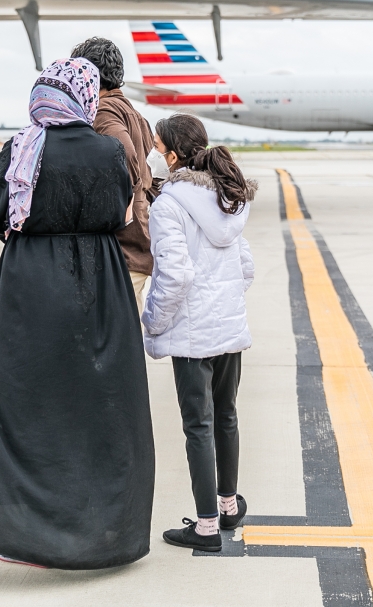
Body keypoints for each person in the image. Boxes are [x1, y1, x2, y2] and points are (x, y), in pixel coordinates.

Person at [0, 58, 155, 570]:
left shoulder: (18, 150)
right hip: (98, 284)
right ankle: (100, 531)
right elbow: (118, 207)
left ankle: (24, 533)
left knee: (27, 408)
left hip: (31, 287)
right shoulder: (106, 151)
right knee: (97, 408)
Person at [143, 113, 256, 552]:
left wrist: (153, 322)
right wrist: (224, 300)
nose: (152, 153)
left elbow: (174, 275)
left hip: (193, 335)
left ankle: (206, 526)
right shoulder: (229, 197)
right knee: (226, 416)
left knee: (198, 427)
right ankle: (228, 507)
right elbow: (245, 267)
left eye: (156, 145)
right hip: (229, 328)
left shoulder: (169, 205)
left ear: (172, 155)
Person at [70, 37, 158, 313]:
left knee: (115, 342)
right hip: (138, 243)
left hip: (123, 248)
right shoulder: (133, 112)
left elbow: (124, 153)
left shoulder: (104, 110)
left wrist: (121, 206)